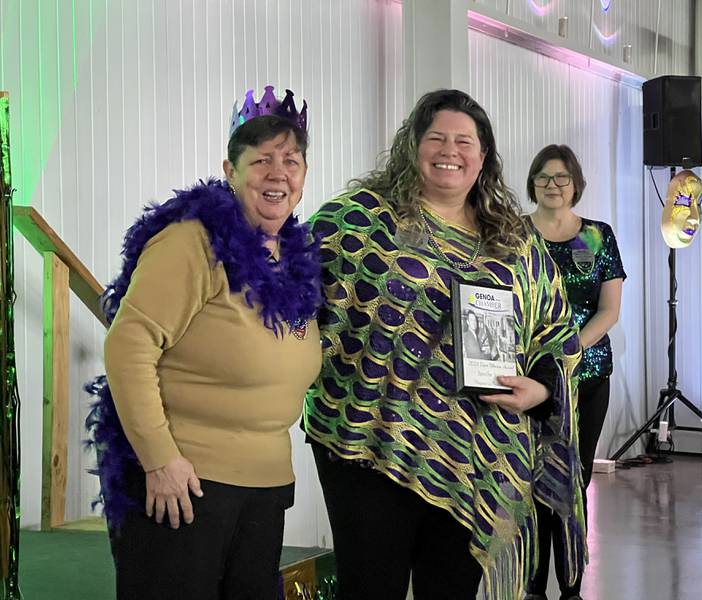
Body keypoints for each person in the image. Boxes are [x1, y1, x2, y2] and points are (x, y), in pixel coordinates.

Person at [304, 89, 586, 600]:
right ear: (412, 147)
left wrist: (540, 391)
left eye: (464, 141)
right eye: (436, 137)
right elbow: (290, 297)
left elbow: (557, 333)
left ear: (483, 157)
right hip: (368, 446)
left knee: (450, 590)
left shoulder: (514, 242)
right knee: (369, 589)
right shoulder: (357, 221)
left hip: (475, 453)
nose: (449, 150)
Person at [85, 86, 322, 600]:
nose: (278, 173)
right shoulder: (194, 240)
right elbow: (130, 344)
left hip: (263, 486)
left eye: (292, 160)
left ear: (303, 177)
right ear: (230, 169)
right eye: (261, 160)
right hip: (186, 484)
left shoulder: (295, 258)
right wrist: (159, 459)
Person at [525, 144, 626, 600]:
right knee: (528, 479)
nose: (553, 185)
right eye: (544, 177)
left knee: (572, 479)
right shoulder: (515, 235)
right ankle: (531, 587)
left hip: (585, 376)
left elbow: (608, 310)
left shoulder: (593, 237)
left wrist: (569, 348)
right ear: (533, 183)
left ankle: (570, 587)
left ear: (575, 184)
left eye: (561, 178)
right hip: (526, 380)